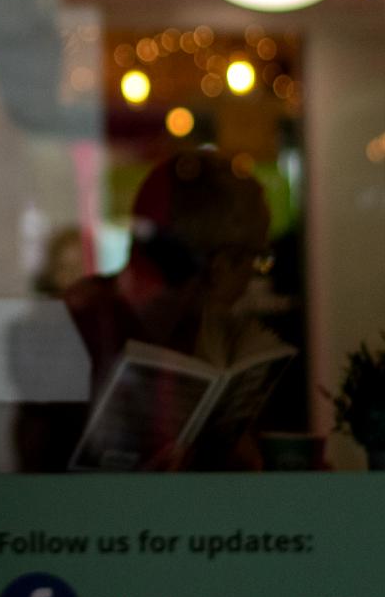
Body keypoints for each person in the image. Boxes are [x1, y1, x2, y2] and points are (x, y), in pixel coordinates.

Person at [63, 146, 280, 467]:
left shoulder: (185, 329)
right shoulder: (83, 328)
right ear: (220, 267)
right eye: (256, 260)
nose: (251, 279)